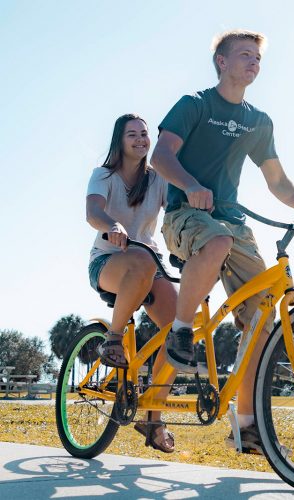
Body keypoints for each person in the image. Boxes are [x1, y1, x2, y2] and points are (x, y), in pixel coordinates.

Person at [151, 30, 294, 454]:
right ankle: (181, 332)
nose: (254, 62)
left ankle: (247, 427)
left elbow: (278, 181)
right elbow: (161, 156)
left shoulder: (258, 121)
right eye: (245, 55)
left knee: (262, 321)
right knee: (214, 242)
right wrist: (192, 185)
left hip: (232, 224)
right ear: (221, 61)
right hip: (186, 216)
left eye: (258, 57)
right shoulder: (194, 104)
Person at [86, 113, 178, 453]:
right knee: (140, 260)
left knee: (179, 329)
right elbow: (93, 211)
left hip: (149, 265)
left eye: (144, 134)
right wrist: (112, 224)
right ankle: (113, 338)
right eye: (132, 135)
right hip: (108, 261)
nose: (140, 139)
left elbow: (176, 208)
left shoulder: (158, 180)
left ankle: (153, 420)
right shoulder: (104, 175)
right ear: (119, 141)